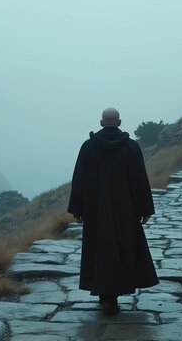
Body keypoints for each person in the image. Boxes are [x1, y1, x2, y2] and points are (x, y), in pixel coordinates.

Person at [68, 107, 159, 315]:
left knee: (100, 252)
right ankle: (115, 295)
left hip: (95, 211)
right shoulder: (132, 147)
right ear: (119, 122)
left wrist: (77, 208)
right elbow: (140, 182)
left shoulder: (89, 147)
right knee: (122, 250)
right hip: (125, 212)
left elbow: (79, 180)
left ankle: (105, 296)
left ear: (101, 123)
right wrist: (145, 209)